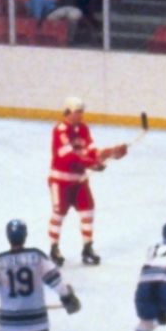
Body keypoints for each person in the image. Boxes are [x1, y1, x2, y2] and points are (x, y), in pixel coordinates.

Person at [48, 96, 129, 266]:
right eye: (78, 112)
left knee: (88, 210)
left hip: (79, 181)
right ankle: (54, 248)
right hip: (61, 181)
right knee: (59, 213)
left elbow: (91, 150)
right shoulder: (60, 130)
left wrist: (110, 152)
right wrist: (92, 164)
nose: (81, 115)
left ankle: (87, 247)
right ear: (69, 111)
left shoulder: (83, 129)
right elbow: (69, 156)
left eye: (82, 111)